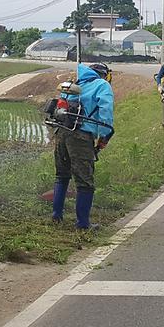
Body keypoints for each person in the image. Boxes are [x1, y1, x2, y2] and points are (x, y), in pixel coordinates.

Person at [51, 63, 114, 230]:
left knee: (62, 175)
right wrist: (104, 135)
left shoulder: (73, 84)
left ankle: (56, 215)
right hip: (81, 136)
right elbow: (106, 112)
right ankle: (83, 224)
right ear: (104, 74)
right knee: (85, 181)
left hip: (61, 132)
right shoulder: (102, 85)